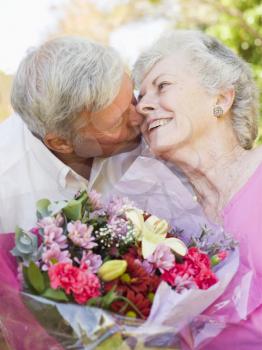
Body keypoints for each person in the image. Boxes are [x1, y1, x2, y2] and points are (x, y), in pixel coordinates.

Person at [134, 30, 262, 349]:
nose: (143, 107)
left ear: (220, 98)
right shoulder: (163, 228)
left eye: (162, 86)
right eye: (140, 97)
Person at [0, 36, 143, 232]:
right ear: (61, 143)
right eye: (116, 122)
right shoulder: (5, 184)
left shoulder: (157, 109)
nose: (139, 117)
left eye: (132, 98)